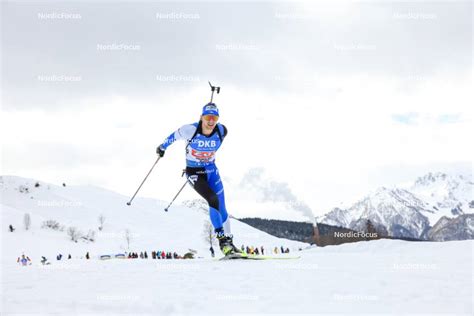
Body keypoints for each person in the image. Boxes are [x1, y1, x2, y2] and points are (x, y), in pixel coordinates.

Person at [157, 102, 240, 256]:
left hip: (212, 171)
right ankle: (223, 243)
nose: (211, 121)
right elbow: (173, 137)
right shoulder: (189, 130)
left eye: (214, 118)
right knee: (212, 199)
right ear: (201, 117)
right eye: (208, 117)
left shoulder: (222, 130)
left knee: (222, 208)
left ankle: (230, 243)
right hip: (195, 173)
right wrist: (162, 148)